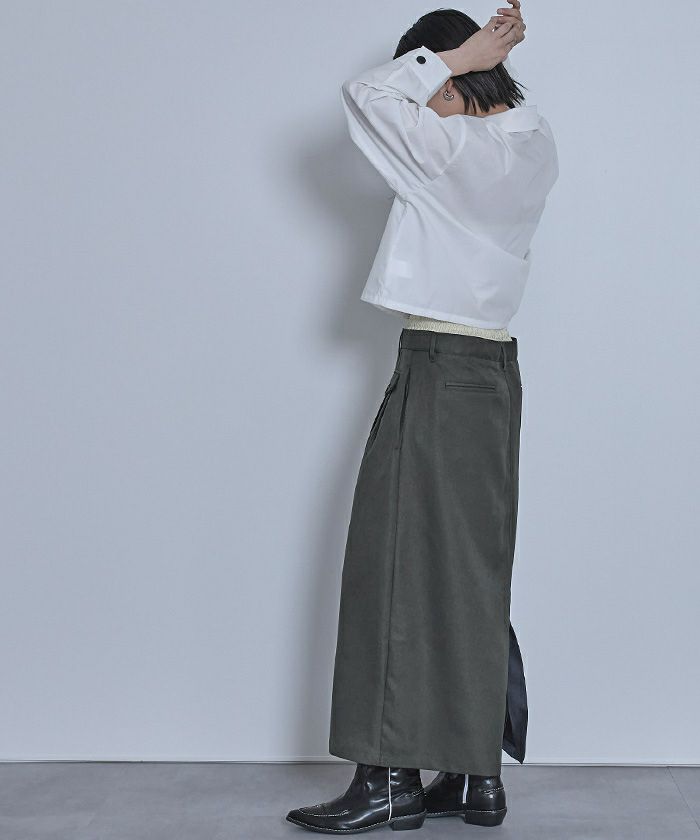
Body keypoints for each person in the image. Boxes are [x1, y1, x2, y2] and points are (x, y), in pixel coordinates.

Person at [286, 2, 559, 833]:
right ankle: (475, 777)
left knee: (394, 565)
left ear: (460, 74)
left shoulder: (451, 150)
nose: (425, 96)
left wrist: (452, 57)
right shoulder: (534, 143)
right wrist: (468, 65)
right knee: (469, 574)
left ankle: (387, 779)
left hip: (440, 368)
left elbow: (365, 95)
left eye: (435, 79)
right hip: (495, 373)